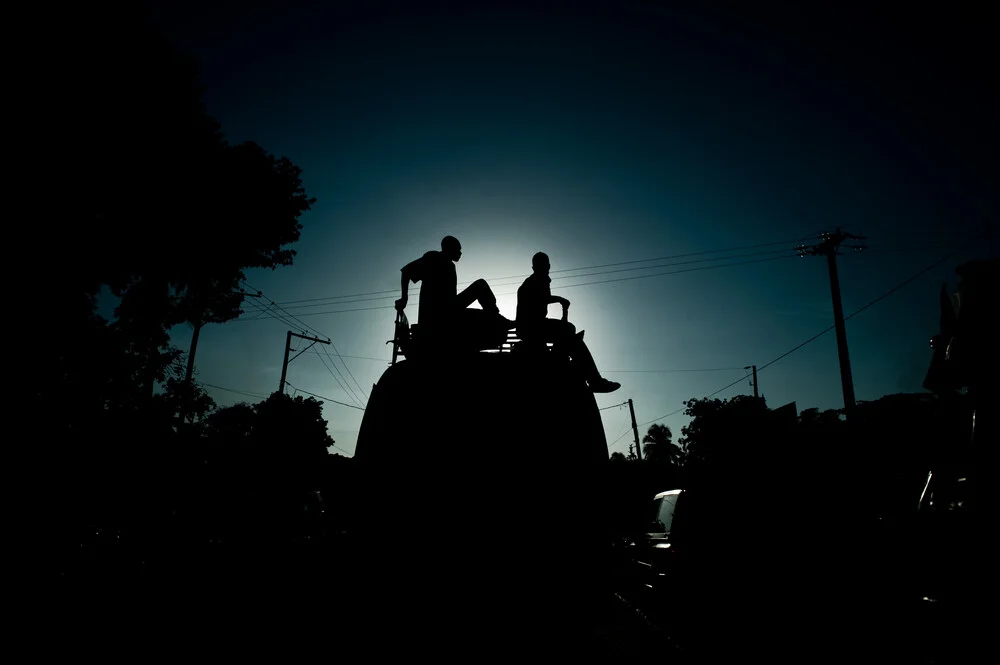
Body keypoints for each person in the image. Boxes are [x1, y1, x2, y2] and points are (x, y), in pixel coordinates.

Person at [516, 251, 620, 393]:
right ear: (536, 268)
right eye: (542, 267)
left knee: (569, 331)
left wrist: (562, 309)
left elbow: (543, 298)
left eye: (545, 267)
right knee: (570, 332)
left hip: (535, 325)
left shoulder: (540, 280)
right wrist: (560, 300)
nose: (545, 270)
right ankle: (594, 380)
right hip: (531, 327)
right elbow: (541, 298)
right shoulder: (534, 282)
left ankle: (587, 372)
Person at [396, 235, 509, 347]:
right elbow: (406, 271)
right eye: (458, 249)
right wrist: (404, 298)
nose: (460, 253)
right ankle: (496, 320)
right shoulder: (433, 258)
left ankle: (496, 319)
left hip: (450, 309)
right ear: (449, 248)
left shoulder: (451, 267)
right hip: (436, 314)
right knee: (480, 285)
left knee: (481, 310)